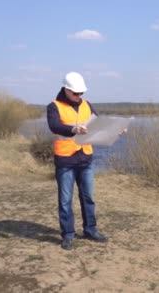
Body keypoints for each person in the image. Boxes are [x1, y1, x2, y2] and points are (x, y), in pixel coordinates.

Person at [46, 71, 108, 250]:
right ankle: (68, 234)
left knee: (88, 197)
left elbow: (98, 124)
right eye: (75, 93)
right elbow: (54, 126)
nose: (79, 96)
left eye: (81, 93)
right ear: (66, 89)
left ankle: (90, 229)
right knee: (65, 200)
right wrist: (73, 129)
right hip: (65, 160)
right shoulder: (54, 106)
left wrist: (114, 130)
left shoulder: (87, 105)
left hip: (85, 158)